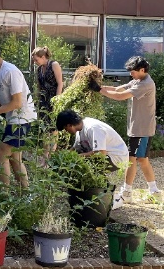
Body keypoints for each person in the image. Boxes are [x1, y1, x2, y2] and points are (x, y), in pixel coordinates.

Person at [89, 55, 161, 208]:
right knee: (142, 159)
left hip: (142, 129)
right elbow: (116, 89)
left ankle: (126, 193)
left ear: (142, 70)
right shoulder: (137, 80)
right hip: (139, 128)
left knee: (132, 159)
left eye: (133, 71)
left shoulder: (146, 84)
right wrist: (97, 87)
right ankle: (154, 192)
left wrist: (100, 90)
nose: (131, 74)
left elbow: (120, 96)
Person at [0, 41, 37, 188]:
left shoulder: (11, 71)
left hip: (22, 118)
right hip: (14, 119)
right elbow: (2, 100)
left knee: (1, 154)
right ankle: (25, 193)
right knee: (15, 158)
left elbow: (16, 103)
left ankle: (4, 194)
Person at [56, 109, 129, 172]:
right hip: (106, 155)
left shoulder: (92, 128)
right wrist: (62, 156)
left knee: (81, 167)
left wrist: (77, 157)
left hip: (116, 156)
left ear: (69, 125)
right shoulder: (79, 131)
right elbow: (75, 148)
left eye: (65, 129)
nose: (66, 131)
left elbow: (100, 153)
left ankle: (103, 187)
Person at [31, 46, 63, 166]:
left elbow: (60, 83)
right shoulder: (39, 69)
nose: (35, 62)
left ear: (43, 57)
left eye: (36, 60)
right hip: (43, 101)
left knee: (53, 129)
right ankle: (44, 157)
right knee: (44, 129)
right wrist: (36, 99)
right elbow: (39, 86)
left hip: (54, 99)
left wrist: (57, 100)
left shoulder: (54, 65)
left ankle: (51, 158)